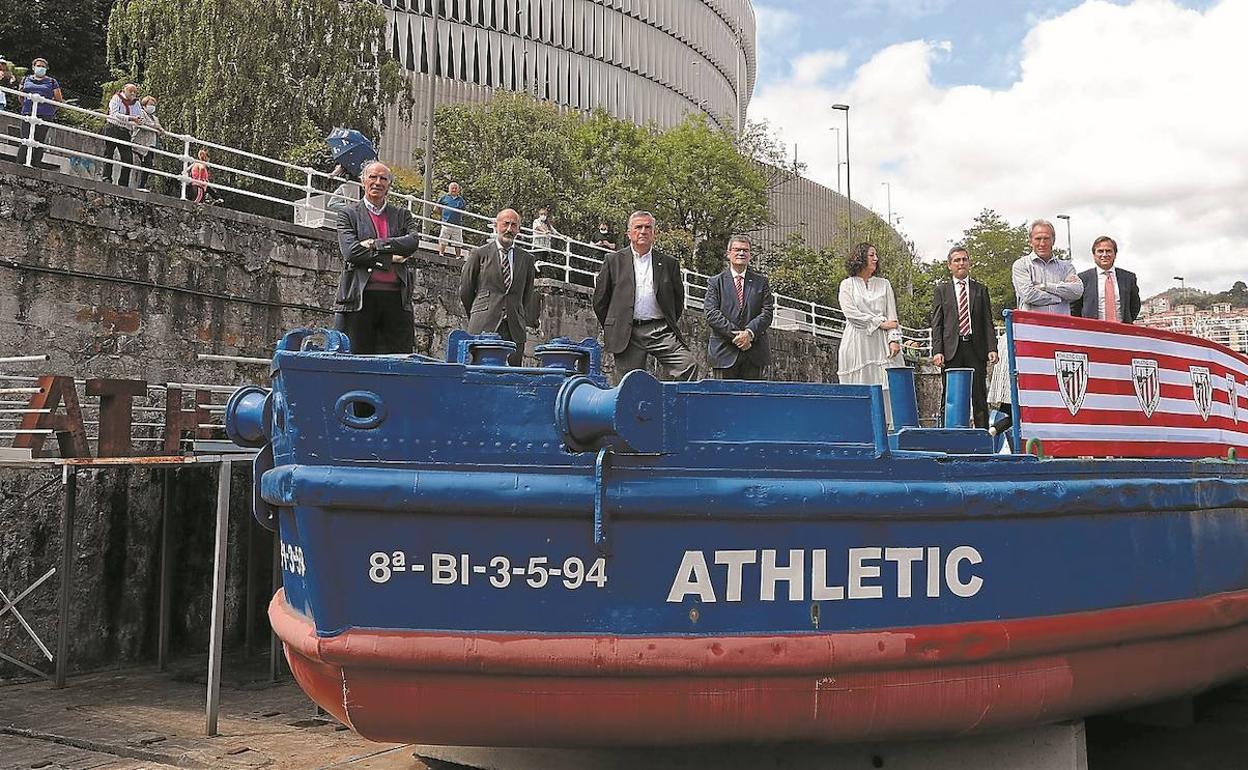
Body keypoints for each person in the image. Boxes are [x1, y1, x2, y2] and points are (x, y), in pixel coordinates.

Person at [592, 210, 697, 384]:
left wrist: (665, 322)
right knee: (629, 385)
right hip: (628, 332)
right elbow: (600, 301)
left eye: (648, 227)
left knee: (688, 365)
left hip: (660, 331)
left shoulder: (669, 264)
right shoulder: (613, 260)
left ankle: (672, 407)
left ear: (653, 233)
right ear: (629, 233)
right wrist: (616, 325)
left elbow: (677, 301)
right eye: (638, 227)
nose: (643, 231)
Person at [334, 161, 422, 354]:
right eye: (373, 177)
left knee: (399, 362)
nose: (377, 182)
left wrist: (375, 244)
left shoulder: (402, 215)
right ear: (363, 181)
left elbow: (412, 242)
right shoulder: (348, 214)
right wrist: (389, 259)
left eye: (383, 178)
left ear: (389, 185)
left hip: (396, 301)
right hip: (359, 300)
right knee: (356, 360)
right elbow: (351, 252)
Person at [930, 247, 998, 429]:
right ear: (949, 265)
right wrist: (937, 351)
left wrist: (992, 347)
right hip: (952, 350)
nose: (961, 263)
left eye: (964, 260)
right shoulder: (941, 290)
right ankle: (948, 436)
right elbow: (937, 323)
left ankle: (983, 439)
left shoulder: (980, 290)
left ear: (969, 263)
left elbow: (987, 321)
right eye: (957, 260)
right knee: (950, 395)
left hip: (975, 348)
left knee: (979, 395)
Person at [459, 208, 537, 366]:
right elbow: (466, 291)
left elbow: (527, 295)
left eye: (514, 225)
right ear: (496, 226)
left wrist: (518, 314)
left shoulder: (527, 259)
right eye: (506, 224)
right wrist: (479, 312)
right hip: (483, 327)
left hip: (514, 330)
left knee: (512, 379)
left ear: (518, 230)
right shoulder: (479, 254)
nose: (509, 229)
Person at [837, 242, 902, 420]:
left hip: (882, 345)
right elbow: (851, 314)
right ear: (860, 257)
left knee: (886, 388)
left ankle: (887, 430)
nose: (876, 259)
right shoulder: (847, 285)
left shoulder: (884, 284)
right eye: (871, 255)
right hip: (857, 341)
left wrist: (894, 339)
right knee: (859, 387)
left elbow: (893, 317)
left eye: (876, 255)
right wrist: (880, 323)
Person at [703, 235, 774, 380]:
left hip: (754, 353)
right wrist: (737, 335)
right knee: (724, 401)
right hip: (724, 353)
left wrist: (749, 333)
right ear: (728, 253)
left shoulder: (761, 282)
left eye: (745, 250)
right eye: (737, 250)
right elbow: (711, 313)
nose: (741, 253)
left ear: (750, 255)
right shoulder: (715, 282)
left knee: (753, 401)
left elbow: (767, 313)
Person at [1011, 219, 1083, 314]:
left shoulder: (1066, 267)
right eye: (1038, 239)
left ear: (1053, 240)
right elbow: (1028, 295)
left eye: (1046, 238)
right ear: (1030, 241)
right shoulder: (1021, 265)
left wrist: (1045, 286)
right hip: (1031, 326)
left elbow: (1077, 292)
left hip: (1060, 325)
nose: (1042, 243)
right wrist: (1059, 297)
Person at [1071, 236, 1141, 323]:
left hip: (1122, 332)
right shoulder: (1082, 279)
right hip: (1092, 332)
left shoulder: (1128, 278)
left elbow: (1135, 306)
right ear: (1094, 255)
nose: (1104, 254)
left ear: (1115, 254)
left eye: (1108, 251)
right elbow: (1074, 309)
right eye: (1100, 251)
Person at [16, 58, 63, 168]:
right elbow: (20, 96)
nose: (40, 68)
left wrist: (50, 110)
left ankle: (35, 164)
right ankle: (20, 163)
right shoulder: (26, 79)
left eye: (43, 66)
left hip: (45, 115)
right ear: (33, 67)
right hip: (28, 113)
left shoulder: (52, 82)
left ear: (46, 69)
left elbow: (58, 100)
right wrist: (27, 106)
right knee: (25, 138)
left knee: (39, 140)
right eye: (38, 66)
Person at [102, 83, 142, 186]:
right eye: (130, 91)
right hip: (113, 127)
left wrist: (137, 120)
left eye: (134, 92)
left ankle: (123, 183)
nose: (133, 93)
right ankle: (107, 178)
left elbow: (139, 116)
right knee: (109, 153)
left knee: (127, 158)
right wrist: (130, 119)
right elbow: (114, 114)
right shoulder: (116, 98)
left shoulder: (136, 103)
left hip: (126, 131)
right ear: (124, 90)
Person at [131, 95, 166, 192]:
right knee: (142, 163)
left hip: (151, 144)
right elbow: (142, 122)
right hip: (141, 143)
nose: (152, 106)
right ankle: (139, 185)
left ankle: (142, 185)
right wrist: (156, 126)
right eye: (150, 104)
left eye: (154, 104)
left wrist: (159, 131)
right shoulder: (140, 112)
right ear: (144, 105)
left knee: (148, 165)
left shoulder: (155, 118)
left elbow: (158, 129)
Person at [436, 181, 467, 258]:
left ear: (458, 190)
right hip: (446, 223)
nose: (454, 190)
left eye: (455, 188)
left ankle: (458, 256)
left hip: (457, 224)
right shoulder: (444, 198)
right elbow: (436, 208)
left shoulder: (461, 200)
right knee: (443, 239)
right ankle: (441, 254)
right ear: (449, 189)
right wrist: (443, 215)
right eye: (452, 188)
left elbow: (463, 211)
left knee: (458, 242)